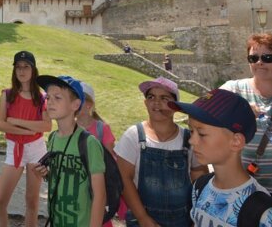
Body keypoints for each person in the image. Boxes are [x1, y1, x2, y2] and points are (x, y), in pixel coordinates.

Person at [168, 88, 272, 226]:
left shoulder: (262, 211)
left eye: (202, 133)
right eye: (191, 131)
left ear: (236, 142)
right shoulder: (200, 187)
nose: (192, 141)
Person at [114, 77, 208, 227]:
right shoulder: (134, 136)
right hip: (142, 219)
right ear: (145, 103)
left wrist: (196, 216)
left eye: (164, 98)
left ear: (175, 106)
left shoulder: (189, 139)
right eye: (151, 97)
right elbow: (124, 178)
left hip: (182, 220)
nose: (156, 103)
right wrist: (142, 217)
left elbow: (200, 177)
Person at [34, 75, 106, 227]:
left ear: (76, 104)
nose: (50, 102)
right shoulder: (53, 138)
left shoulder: (89, 143)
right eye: (48, 97)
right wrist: (46, 174)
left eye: (58, 97)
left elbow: (100, 195)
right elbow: (61, 175)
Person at [0, 51, 52, 227]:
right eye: (18, 67)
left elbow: (47, 126)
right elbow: (0, 124)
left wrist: (16, 122)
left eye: (26, 66)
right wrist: (30, 129)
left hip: (36, 149)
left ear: (33, 70)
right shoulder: (7, 95)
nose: (22, 71)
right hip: (15, 149)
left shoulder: (42, 98)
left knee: (32, 202)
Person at [221, 33, 272, 192]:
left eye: (267, 57)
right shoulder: (234, 89)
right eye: (253, 58)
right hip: (241, 189)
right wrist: (237, 110)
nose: (260, 63)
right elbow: (203, 111)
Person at [77, 81, 123, 227]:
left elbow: (109, 163)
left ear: (89, 105)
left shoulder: (102, 129)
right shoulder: (69, 128)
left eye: (78, 100)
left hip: (96, 188)